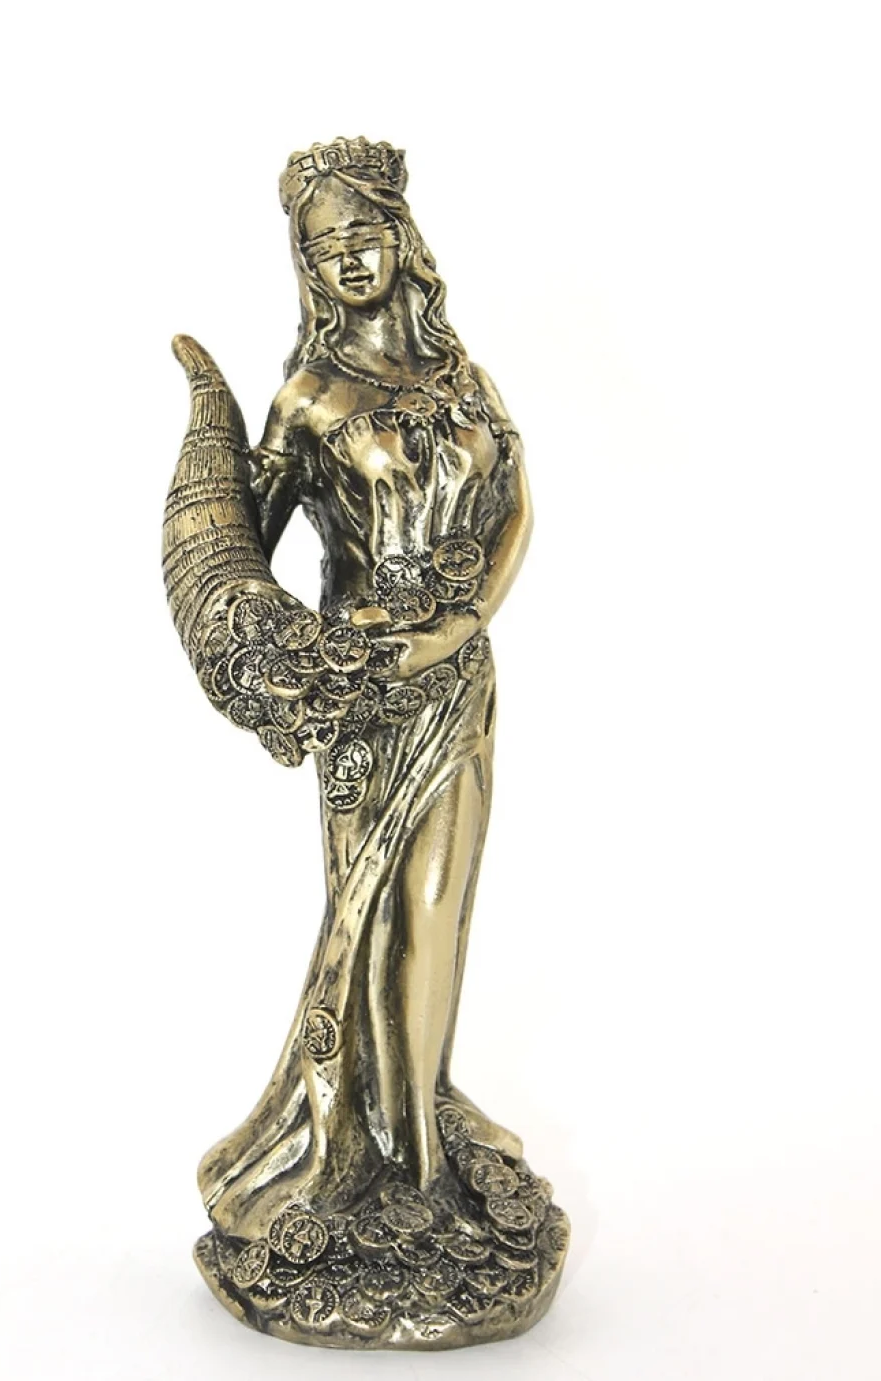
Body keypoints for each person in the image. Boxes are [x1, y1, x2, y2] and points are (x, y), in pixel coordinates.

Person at [187, 140, 563, 1346]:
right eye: (323, 247)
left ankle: (421, 1133)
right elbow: (242, 548)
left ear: (401, 238)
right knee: (375, 919)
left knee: (440, 910)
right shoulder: (309, 398)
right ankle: (370, 1154)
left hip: (458, 682)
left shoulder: (460, 375)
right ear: (304, 265)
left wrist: (464, 617)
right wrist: (266, 639)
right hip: (366, 698)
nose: (347, 260)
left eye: (363, 235)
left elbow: (514, 504)